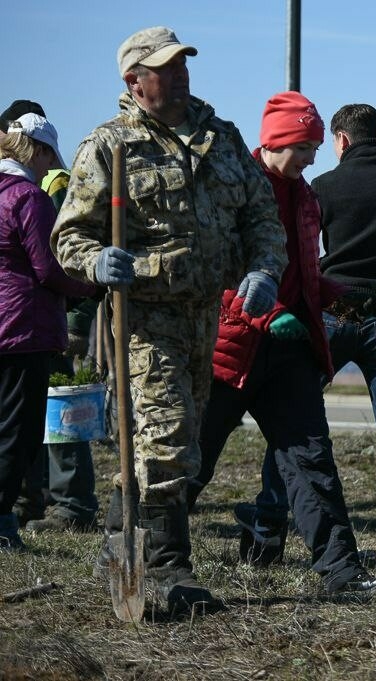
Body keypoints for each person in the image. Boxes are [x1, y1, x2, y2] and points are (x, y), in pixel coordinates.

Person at [52, 26, 286, 614]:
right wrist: (95, 261)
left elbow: (261, 217)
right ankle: (165, 571)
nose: (180, 75)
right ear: (134, 80)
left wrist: (264, 269)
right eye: (165, 68)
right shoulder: (110, 146)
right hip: (144, 318)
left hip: (208, 314)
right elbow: (70, 236)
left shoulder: (221, 138)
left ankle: (119, 543)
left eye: (183, 64)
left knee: (180, 438)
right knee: (165, 436)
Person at [189, 91, 376, 597]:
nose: (311, 159)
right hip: (231, 352)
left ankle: (341, 573)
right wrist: (269, 314)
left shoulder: (307, 198)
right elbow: (221, 273)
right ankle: (138, 550)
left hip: (290, 355)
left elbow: (305, 273)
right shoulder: (238, 191)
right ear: (275, 140)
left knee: (311, 460)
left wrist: (341, 298)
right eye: (302, 147)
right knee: (192, 457)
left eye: (315, 148)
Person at [310, 103, 376, 577]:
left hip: (332, 308)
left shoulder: (323, 186)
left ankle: (268, 523)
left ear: (342, 140)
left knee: (296, 421)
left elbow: (305, 250)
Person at [0, 103, 102, 534]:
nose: (49, 167)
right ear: (37, 150)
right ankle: (4, 517)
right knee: (19, 430)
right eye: (47, 156)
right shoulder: (29, 198)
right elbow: (50, 267)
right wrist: (92, 284)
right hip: (25, 327)